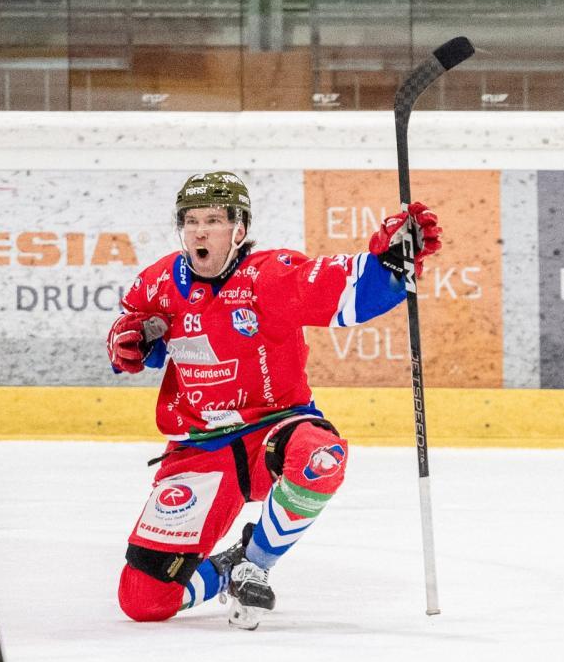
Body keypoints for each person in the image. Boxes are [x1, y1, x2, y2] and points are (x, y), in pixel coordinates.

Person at [107, 171, 441, 630]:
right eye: (191, 220)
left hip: (274, 431)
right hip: (199, 450)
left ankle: (255, 562)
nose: (199, 230)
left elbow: (345, 288)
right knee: (144, 602)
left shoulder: (270, 275)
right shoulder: (158, 282)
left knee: (320, 458)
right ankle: (227, 568)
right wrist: (126, 343)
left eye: (214, 220)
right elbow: (136, 333)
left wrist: (392, 260)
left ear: (239, 229)